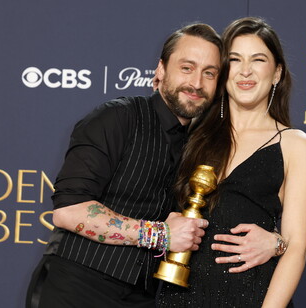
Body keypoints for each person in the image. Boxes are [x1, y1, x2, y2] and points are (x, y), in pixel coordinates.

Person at [25, 23, 222, 308]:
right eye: (187, 68)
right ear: (161, 69)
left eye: (209, 73)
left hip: (143, 296)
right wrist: (161, 234)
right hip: (76, 288)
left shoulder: (199, 147)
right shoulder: (118, 117)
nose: (197, 83)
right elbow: (69, 211)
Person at [158, 17, 306, 307]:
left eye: (258, 60)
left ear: (277, 73)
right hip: (177, 295)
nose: (245, 71)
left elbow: (297, 247)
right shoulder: (192, 132)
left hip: (251, 296)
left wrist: (277, 242)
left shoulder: (296, 145)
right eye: (234, 59)